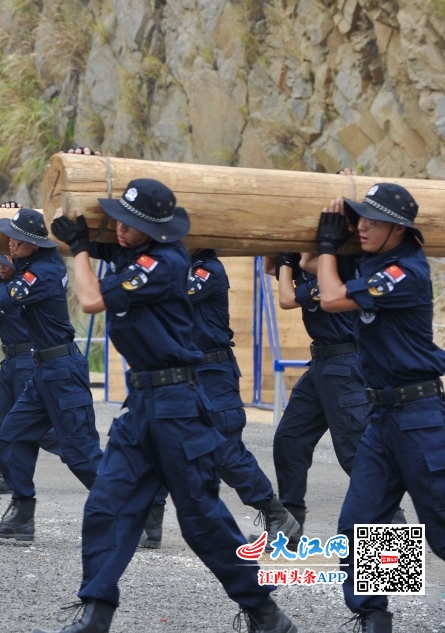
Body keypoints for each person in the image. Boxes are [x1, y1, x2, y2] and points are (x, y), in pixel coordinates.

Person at [36, 178, 297, 633]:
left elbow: (326, 297)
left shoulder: (394, 272)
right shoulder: (141, 254)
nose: (120, 228)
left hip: (379, 391)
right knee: (109, 505)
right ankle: (370, 612)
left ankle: (373, 600)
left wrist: (323, 251)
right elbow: (299, 291)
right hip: (351, 389)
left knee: (388, 511)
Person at [312, 186, 445, 633]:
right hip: (382, 418)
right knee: (361, 523)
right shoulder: (374, 262)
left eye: (372, 219)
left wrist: (331, 243)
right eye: (358, 218)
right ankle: (375, 618)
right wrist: (341, 199)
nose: (362, 225)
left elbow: (329, 297)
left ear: (399, 228)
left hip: (421, 416)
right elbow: (313, 268)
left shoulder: (405, 271)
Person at [138, 249, 300, 551]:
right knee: (159, 438)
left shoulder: (206, 270)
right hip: (189, 371)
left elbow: (166, 297)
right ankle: (149, 523)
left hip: (213, 372)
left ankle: (280, 517)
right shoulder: (181, 265)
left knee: (224, 449)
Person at [0, 207, 101, 542]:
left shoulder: (41, 271)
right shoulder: (33, 265)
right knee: (11, 437)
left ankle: (138, 511)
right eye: (10, 239)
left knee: (80, 453)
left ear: (36, 243)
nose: (12, 245)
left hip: (62, 370)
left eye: (19, 240)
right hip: (44, 368)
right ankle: (22, 514)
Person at [269, 251, 377, 538]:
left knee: (356, 453)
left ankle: (391, 547)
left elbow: (286, 299)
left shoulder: (336, 265)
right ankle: (288, 529)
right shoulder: (311, 266)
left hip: (344, 366)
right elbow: (272, 269)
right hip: (320, 365)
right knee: (289, 440)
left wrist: (288, 263)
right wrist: (283, 258)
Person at [0, 254, 62, 495]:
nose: (0, 267)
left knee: (35, 425)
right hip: (10, 361)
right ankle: (7, 475)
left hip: (28, 360)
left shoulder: (25, 285)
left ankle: (82, 455)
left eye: (5, 263)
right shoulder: (3, 282)